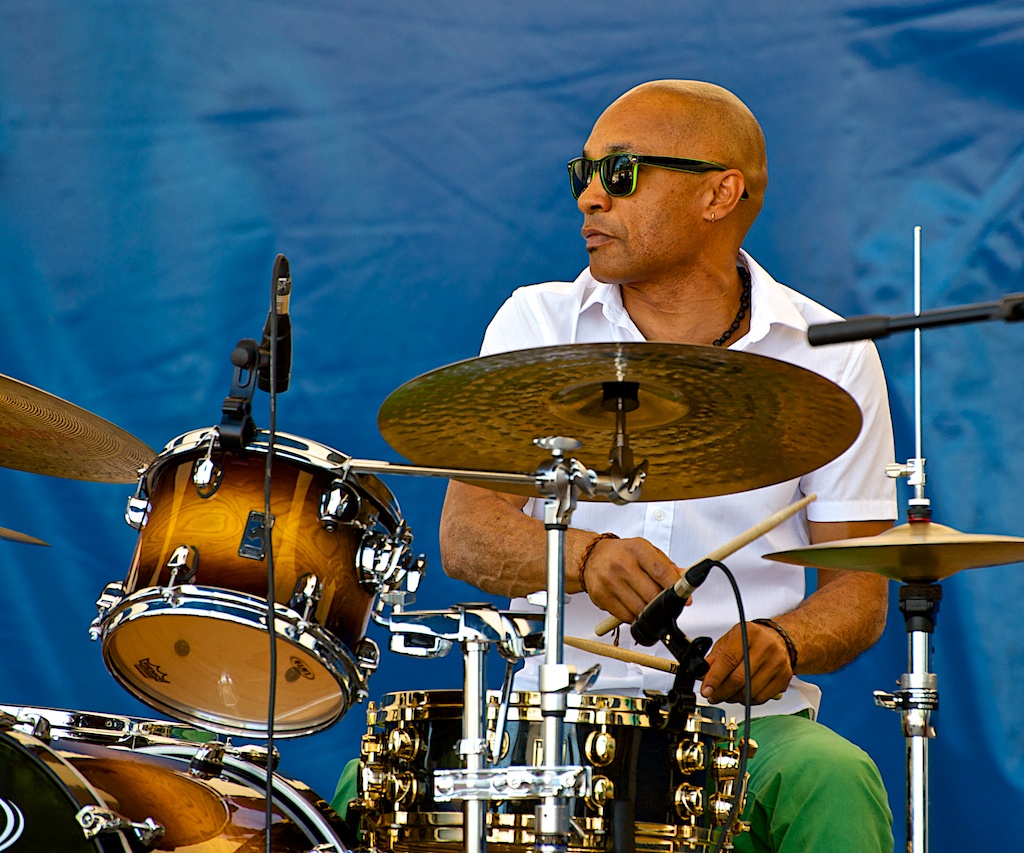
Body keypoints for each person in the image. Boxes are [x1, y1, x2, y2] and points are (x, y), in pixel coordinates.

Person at [439, 80, 897, 853]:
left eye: (618, 171)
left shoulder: (833, 353)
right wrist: (583, 558)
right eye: (579, 173)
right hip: (551, 720)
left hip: (743, 732)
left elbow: (863, 589)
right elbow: (465, 534)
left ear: (721, 193)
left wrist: (783, 641)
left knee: (836, 776)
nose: (588, 197)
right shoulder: (537, 323)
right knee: (367, 790)